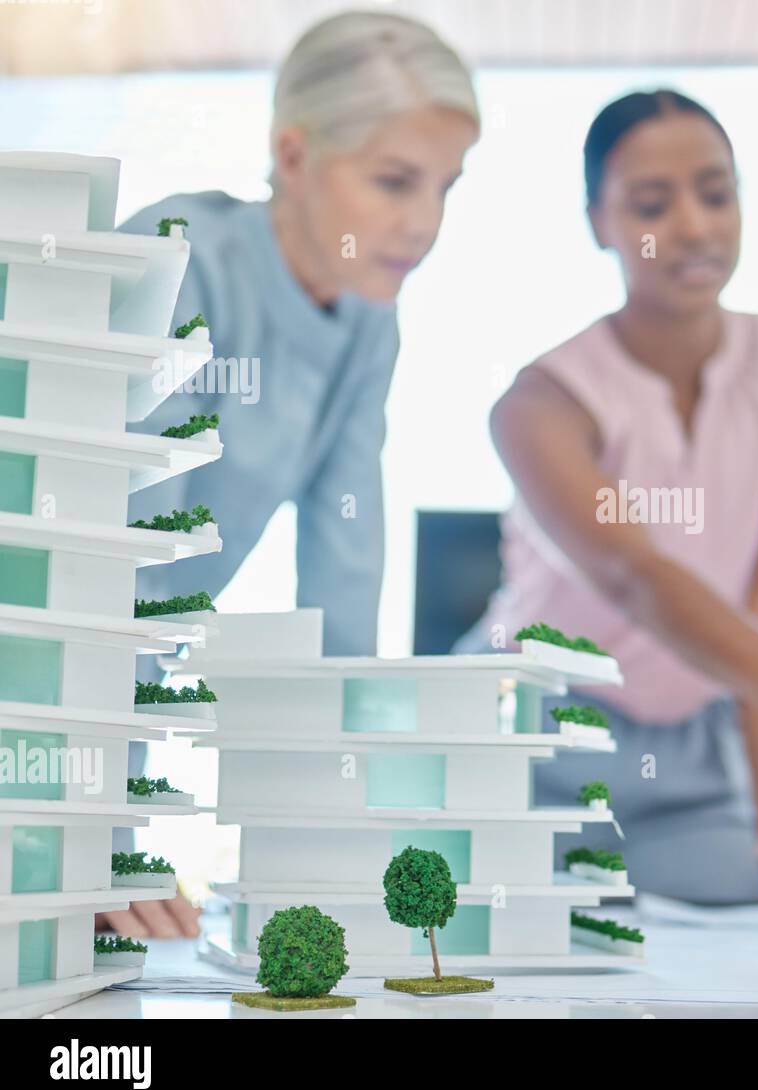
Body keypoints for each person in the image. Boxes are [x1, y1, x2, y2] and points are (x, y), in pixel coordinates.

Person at [461, 90, 758, 904]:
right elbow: (633, 579)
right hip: (526, 742)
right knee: (509, 937)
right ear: (597, 221)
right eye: (652, 203)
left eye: (716, 194)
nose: (693, 226)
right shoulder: (538, 406)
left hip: (692, 761)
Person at [101, 11, 479, 938]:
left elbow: (346, 571)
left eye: (446, 188)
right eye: (395, 182)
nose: (424, 224)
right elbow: (115, 568)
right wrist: (91, 831)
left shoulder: (365, 321)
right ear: (294, 153)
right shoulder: (181, 258)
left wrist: (347, 832)